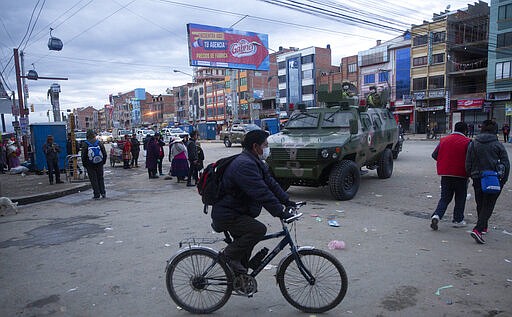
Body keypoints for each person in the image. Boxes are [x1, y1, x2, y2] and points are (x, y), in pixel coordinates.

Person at [211, 130, 297, 273]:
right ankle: (228, 256)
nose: (267, 148)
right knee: (258, 230)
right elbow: (261, 192)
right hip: (228, 215)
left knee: (245, 250)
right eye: (265, 145)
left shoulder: (254, 161)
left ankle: (239, 279)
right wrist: (280, 212)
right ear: (255, 146)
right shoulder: (244, 165)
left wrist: (287, 201)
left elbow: (271, 184)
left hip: (237, 212)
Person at [465, 120, 510, 244]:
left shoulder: (473, 144)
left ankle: (483, 226)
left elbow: (468, 162)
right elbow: (506, 163)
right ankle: (478, 229)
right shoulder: (498, 145)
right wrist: (504, 180)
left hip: (477, 177)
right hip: (493, 179)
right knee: (489, 204)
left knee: (480, 203)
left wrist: (471, 174)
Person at [430, 122, 471, 231]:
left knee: (445, 198)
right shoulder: (467, 142)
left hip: (445, 174)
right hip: (461, 175)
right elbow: (471, 159)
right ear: (465, 131)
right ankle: (458, 219)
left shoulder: (444, 140)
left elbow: (434, 155)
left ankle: (437, 215)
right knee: (460, 198)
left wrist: (445, 162)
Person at [81, 130, 107, 199]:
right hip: (99, 164)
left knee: (93, 179)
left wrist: (85, 164)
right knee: (100, 178)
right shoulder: (99, 143)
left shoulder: (85, 144)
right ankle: (103, 192)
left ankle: (96, 194)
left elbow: (83, 156)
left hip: (90, 165)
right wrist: (103, 162)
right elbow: (104, 153)